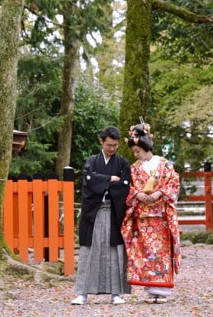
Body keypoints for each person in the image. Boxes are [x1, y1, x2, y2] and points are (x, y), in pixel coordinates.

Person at [121, 122, 182, 303]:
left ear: (146, 147)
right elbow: (129, 187)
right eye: (134, 152)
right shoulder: (133, 168)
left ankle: (162, 291)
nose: (136, 154)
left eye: (138, 150)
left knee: (161, 252)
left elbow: (173, 184)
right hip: (142, 217)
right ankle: (151, 290)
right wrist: (138, 194)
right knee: (146, 252)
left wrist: (158, 193)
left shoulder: (165, 165)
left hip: (160, 217)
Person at [71, 126, 131, 305]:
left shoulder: (122, 163)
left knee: (115, 251)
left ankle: (116, 293)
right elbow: (88, 181)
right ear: (101, 142)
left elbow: (124, 185)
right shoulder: (91, 161)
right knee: (89, 250)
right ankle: (82, 293)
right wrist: (110, 179)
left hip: (114, 211)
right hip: (94, 211)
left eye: (115, 145)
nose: (112, 149)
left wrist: (102, 180)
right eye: (109, 145)